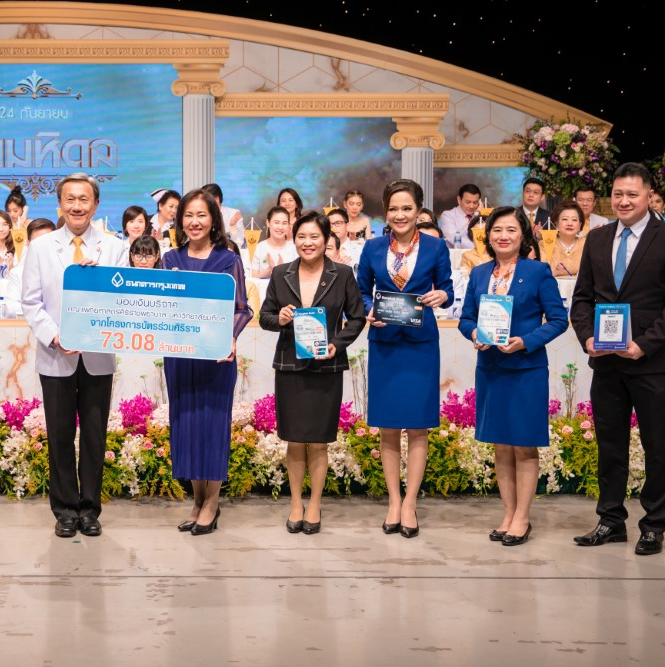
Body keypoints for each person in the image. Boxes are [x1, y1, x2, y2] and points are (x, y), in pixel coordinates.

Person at [570, 162, 665, 556]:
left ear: (648, 195)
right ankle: (610, 520)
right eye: (618, 194)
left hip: (650, 362)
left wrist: (644, 343)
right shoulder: (597, 237)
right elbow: (582, 299)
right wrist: (587, 337)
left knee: (657, 446)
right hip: (606, 362)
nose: (623, 201)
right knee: (610, 445)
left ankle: (654, 525)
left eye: (632, 194)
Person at [21, 173, 129, 538]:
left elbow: (123, 300)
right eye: (70, 199)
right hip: (56, 356)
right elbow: (31, 302)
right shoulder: (41, 247)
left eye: (84, 199)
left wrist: (100, 284)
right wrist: (56, 337)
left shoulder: (114, 247)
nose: (77, 206)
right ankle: (65, 510)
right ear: (60, 204)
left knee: (95, 436)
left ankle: (90, 509)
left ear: (96, 205)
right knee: (60, 435)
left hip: (98, 356)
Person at [459, 207, 568, 546]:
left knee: (523, 443)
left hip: (525, 369)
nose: (503, 236)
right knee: (501, 444)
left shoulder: (537, 271)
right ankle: (508, 513)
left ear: (523, 235)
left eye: (510, 230)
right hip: (491, 368)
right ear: (487, 236)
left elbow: (558, 320)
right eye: (497, 230)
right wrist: (474, 333)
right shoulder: (479, 273)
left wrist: (526, 341)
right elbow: (466, 318)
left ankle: (523, 517)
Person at [357, 178, 453, 539]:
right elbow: (361, 291)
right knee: (388, 425)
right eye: (394, 209)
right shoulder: (372, 247)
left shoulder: (435, 246)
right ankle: (393, 501)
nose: (400, 215)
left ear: (419, 211)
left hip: (420, 344)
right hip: (385, 343)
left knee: (417, 425)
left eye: (407, 208)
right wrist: (369, 309)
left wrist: (441, 296)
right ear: (386, 212)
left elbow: (448, 287)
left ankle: (410, 502)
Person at [259, 212, 365, 534]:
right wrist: (280, 318)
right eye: (302, 237)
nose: (308, 243)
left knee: (319, 442)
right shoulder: (281, 274)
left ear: (326, 239)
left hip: (326, 367)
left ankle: (315, 504)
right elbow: (265, 316)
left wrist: (337, 344)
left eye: (314, 236)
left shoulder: (342, 274)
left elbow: (357, 318)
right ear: (294, 239)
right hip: (290, 367)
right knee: (294, 441)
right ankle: (295, 504)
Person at [162, 189, 252, 536]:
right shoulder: (170, 259)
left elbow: (242, 308)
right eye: (188, 215)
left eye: (202, 215)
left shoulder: (228, 259)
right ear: (179, 220)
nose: (194, 221)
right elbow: (160, 305)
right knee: (186, 426)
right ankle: (197, 500)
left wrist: (230, 336)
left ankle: (212, 502)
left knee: (213, 426)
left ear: (214, 219)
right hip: (180, 357)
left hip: (216, 358)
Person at [4, 217, 54, 318]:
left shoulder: (64, 271)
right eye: (38, 242)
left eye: (47, 241)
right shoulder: (17, 273)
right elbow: (10, 309)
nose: (43, 247)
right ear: (27, 243)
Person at [540, 201, 586, 278]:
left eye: (574, 220)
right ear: (556, 223)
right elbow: (540, 273)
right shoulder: (545, 244)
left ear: (580, 225)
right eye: (565, 219)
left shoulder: (586, 244)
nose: (570, 223)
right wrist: (554, 272)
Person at [251, 207, 297, 279]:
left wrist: (282, 272)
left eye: (284, 223)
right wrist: (268, 271)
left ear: (288, 225)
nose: (280, 227)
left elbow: (300, 278)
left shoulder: (294, 248)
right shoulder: (260, 248)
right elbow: (253, 279)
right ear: (268, 223)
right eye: (276, 223)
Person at [437, 183, 481, 248]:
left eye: (475, 202)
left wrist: (481, 215)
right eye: (468, 202)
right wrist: (480, 248)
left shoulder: (480, 216)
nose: (471, 206)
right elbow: (453, 238)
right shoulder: (447, 215)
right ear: (459, 200)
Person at [201, 182, 244, 248]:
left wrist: (232, 226)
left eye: (205, 200)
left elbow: (239, 241)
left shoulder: (233, 214)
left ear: (217, 199)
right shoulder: (201, 215)